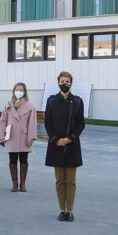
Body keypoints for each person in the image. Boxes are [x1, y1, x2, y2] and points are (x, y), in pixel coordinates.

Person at [44, 71, 85, 222]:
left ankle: (70, 210)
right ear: (58, 83)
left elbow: (81, 124)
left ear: (71, 83)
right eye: (62, 81)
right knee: (60, 180)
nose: (65, 84)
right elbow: (48, 122)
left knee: (71, 181)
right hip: (56, 146)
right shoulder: (51, 101)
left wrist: (70, 138)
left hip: (72, 146)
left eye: (67, 81)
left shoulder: (78, 102)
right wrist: (56, 139)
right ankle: (62, 210)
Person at [0, 82, 37, 192]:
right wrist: (1, 136)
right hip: (11, 136)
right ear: (13, 91)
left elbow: (32, 123)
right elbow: (3, 121)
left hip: (24, 136)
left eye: (21, 90)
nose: (19, 92)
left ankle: (22, 184)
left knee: (24, 159)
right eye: (17, 90)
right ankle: (14, 184)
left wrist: (31, 137)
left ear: (24, 92)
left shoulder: (30, 106)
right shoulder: (8, 106)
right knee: (12, 159)